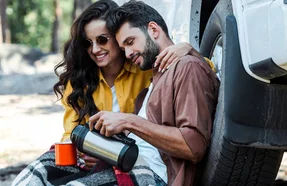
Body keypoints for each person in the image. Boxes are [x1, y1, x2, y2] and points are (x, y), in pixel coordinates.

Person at [12, 0, 205, 185]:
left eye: (102, 40)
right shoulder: (79, 79)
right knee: (34, 176)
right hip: (91, 155)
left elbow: (200, 71)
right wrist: (83, 151)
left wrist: (187, 49)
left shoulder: (143, 67)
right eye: (88, 43)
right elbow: (70, 133)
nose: (95, 49)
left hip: (127, 157)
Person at [89, 1, 220, 185]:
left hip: (151, 177)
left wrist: (129, 121)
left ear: (153, 30)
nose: (127, 53)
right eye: (122, 48)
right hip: (126, 165)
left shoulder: (186, 67)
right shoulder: (153, 83)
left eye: (130, 42)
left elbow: (194, 146)